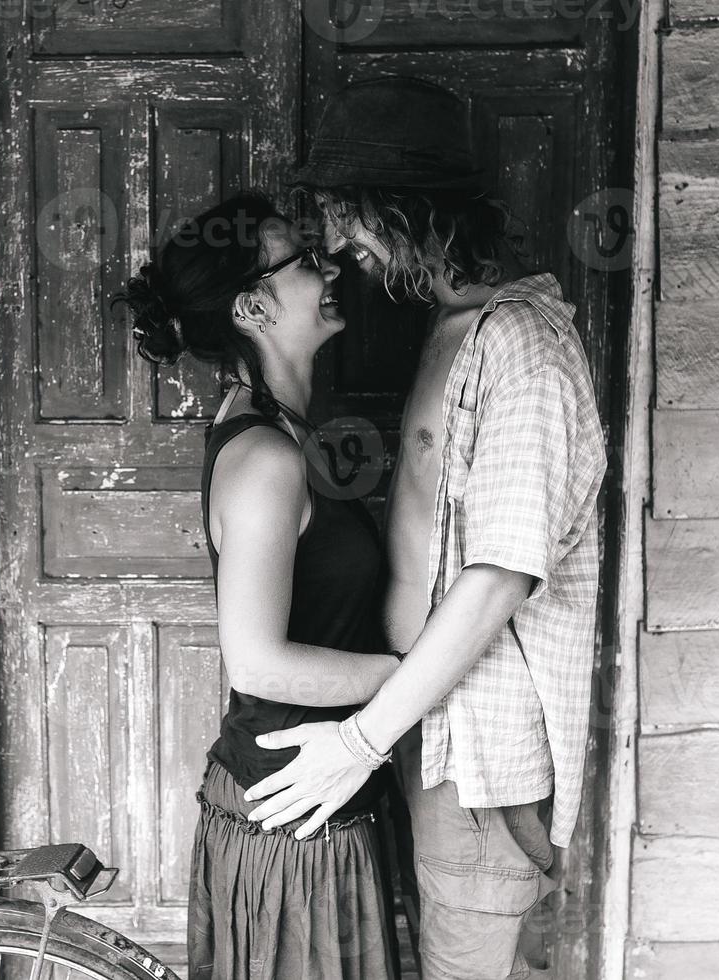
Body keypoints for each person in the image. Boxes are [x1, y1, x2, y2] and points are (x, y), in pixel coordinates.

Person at [241, 77, 608, 980]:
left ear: (404, 213)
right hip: (425, 727)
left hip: (479, 754)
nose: (335, 245)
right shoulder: (454, 328)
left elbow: (499, 578)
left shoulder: (524, 348)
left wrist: (358, 740)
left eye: (347, 215)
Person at [123, 192, 407, 980]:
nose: (329, 268)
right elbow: (255, 663)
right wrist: (412, 676)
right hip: (293, 816)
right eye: (304, 261)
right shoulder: (266, 460)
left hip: (314, 794)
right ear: (253, 304)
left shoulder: (279, 428)